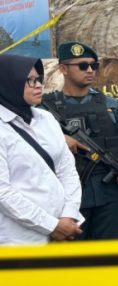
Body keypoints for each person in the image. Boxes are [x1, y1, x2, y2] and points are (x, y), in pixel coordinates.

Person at [41, 42, 118, 240]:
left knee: (108, 256)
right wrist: (59, 139)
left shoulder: (110, 105)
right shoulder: (45, 109)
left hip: (107, 193)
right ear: (63, 69)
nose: (90, 70)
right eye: (83, 66)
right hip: (68, 199)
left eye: (94, 65)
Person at [0, 55, 84, 245]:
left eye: (38, 79)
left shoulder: (45, 119)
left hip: (61, 233)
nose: (38, 85)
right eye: (29, 80)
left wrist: (69, 215)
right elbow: (3, 193)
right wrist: (51, 225)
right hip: (18, 240)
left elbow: (67, 170)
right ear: (7, 84)